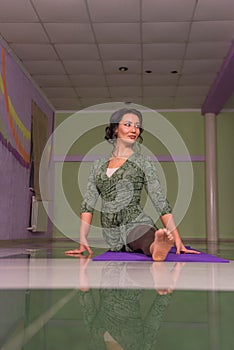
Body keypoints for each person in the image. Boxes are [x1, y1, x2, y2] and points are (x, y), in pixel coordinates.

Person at [65, 108, 199, 261]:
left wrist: (177, 239)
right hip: (111, 232)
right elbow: (88, 204)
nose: (134, 130)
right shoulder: (98, 165)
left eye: (137, 126)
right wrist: (82, 238)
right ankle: (154, 245)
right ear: (116, 129)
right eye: (128, 124)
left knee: (142, 235)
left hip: (135, 221)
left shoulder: (143, 162)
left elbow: (159, 199)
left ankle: (157, 246)